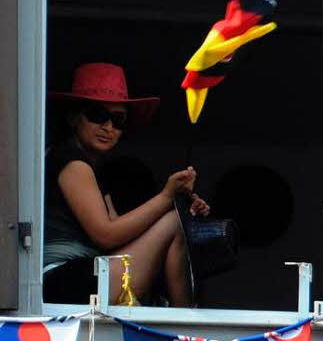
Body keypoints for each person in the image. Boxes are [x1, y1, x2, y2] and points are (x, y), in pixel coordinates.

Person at [43, 63, 210, 306]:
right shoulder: (71, 161)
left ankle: (181, 318)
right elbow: (106, 235)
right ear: (73, 117)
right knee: (174, 223)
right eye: (97, 115)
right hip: (63, 280)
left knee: (176, 219)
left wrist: (177, 202)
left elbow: (119, 235)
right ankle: (185, 323)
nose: (108, 127)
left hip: (84, 275)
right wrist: (165, 198)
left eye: (118, 120)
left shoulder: (91, 170)